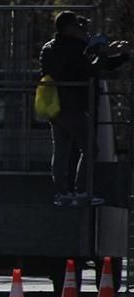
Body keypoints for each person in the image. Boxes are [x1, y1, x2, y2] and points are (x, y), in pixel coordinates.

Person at [39, 11, 130, 207]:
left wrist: (104, 54)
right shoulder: (74, 47)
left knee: (61, 152)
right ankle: (82, 191)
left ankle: (62, 193)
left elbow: (78, 66)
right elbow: (91, 69)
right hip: (73, 106)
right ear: (70, 28)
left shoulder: (48, 48)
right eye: (80, 27)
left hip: (54, 106)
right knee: (90, 148)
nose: (84, 31)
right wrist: (104, 54)